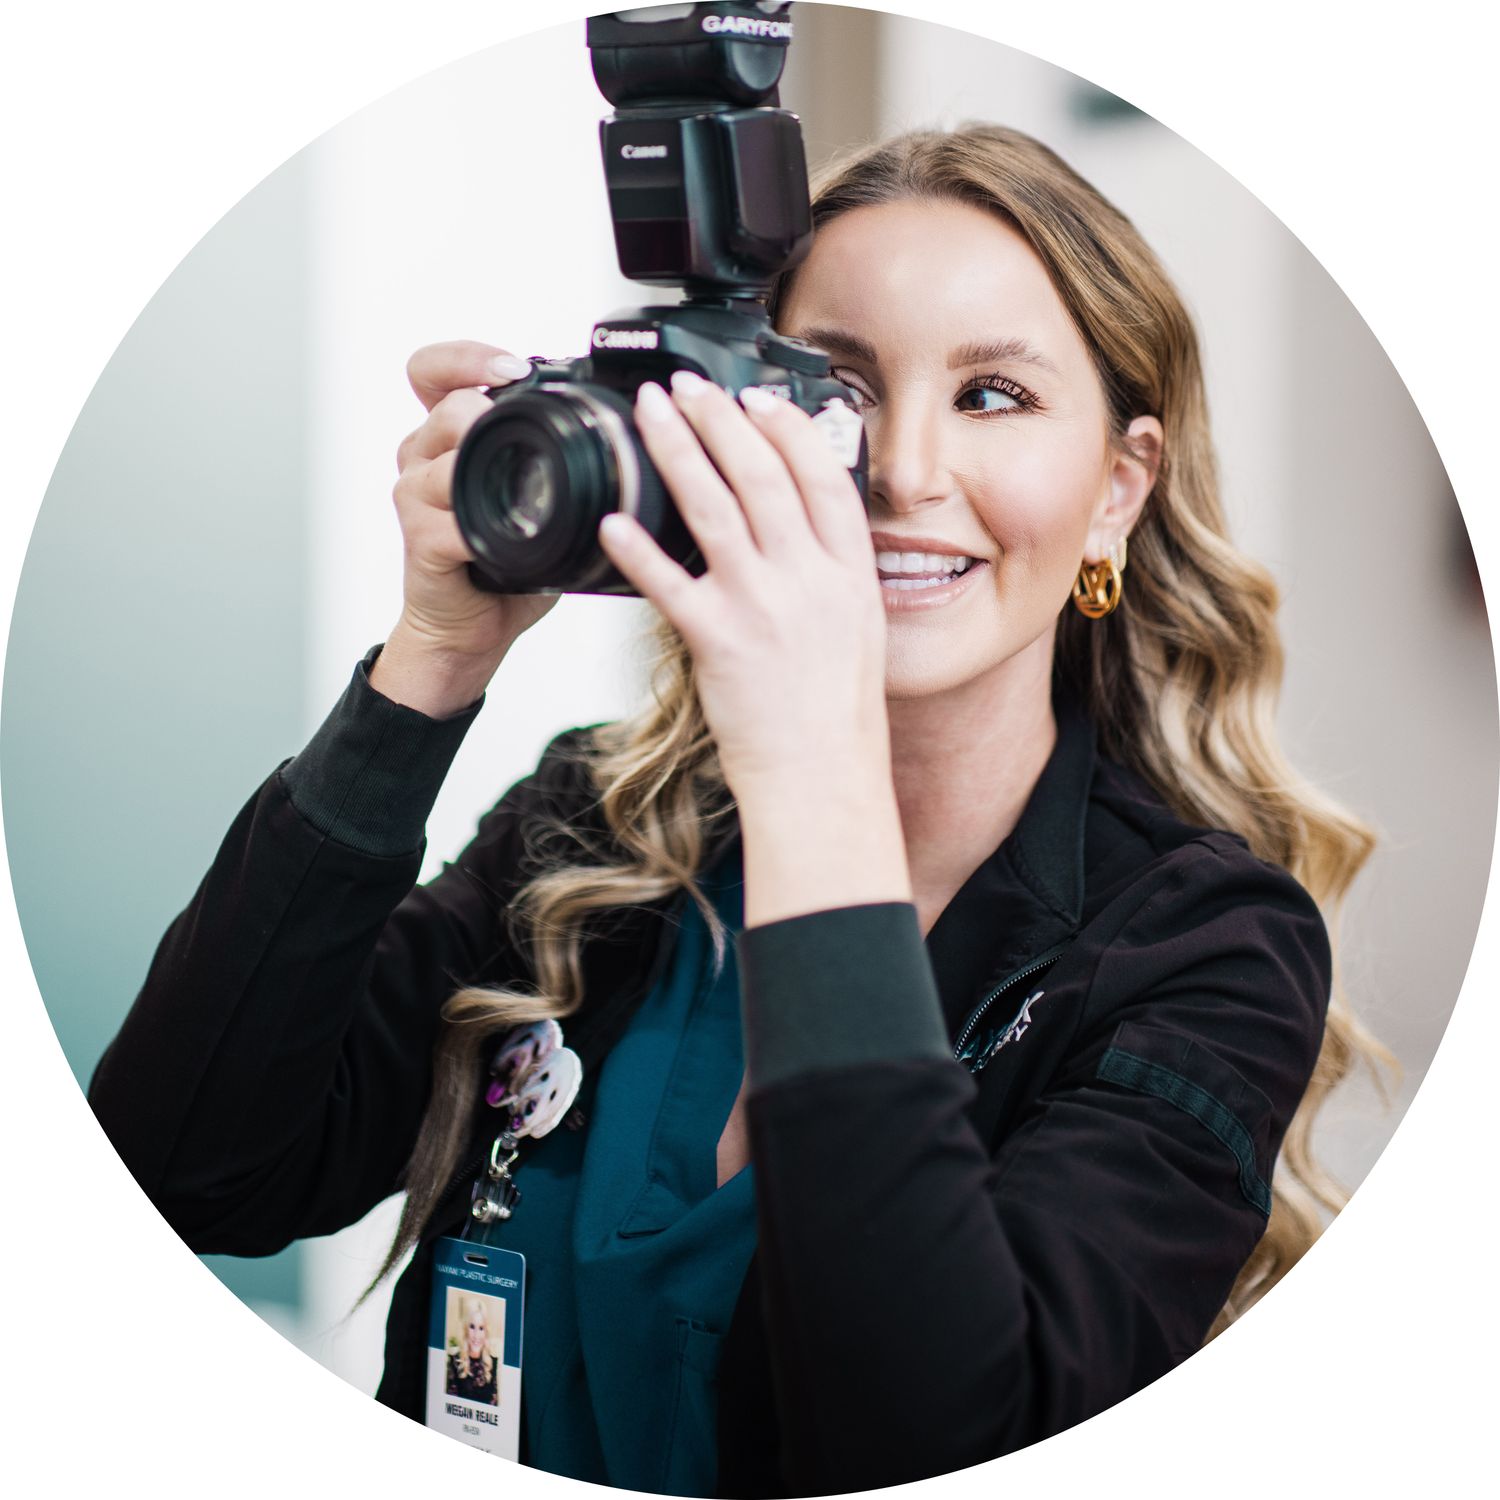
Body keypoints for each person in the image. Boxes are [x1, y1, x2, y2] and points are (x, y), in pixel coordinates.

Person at [90, 125, 1383, 1497]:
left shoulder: (1205, 948)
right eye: (832, 388)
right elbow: (187, 1171)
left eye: (994, 395)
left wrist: (815, 767)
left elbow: (937, 1439)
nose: (899, 472)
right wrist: (429, 663)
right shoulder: (594, 823)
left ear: (1118, 491)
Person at [446, 1296, 499, 1406]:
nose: (476, 1335)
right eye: (472, 1326)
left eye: (481, 1328)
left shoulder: (493, 1364)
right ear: (465, 1329)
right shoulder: (454, 1362)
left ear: (486, 1332)